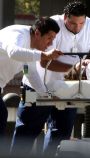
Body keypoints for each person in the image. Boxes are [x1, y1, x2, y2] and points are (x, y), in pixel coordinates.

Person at [11, 1, 90, 156]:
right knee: (26, 133)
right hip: (38, 85)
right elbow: (44, 61)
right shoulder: (52, 26)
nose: (78, 28)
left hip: (69, 90)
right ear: (65, 17)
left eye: (81, 23)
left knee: (61, 135)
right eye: (73, 24)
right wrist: (73, 67)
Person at [0, 17, 62, 155]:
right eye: (49, 38)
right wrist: (44, 55)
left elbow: (30, 72)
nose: (50, 43)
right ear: (38, 33)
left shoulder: (29, 51)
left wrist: (46, 95)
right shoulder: (17, 35)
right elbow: (14, 52)